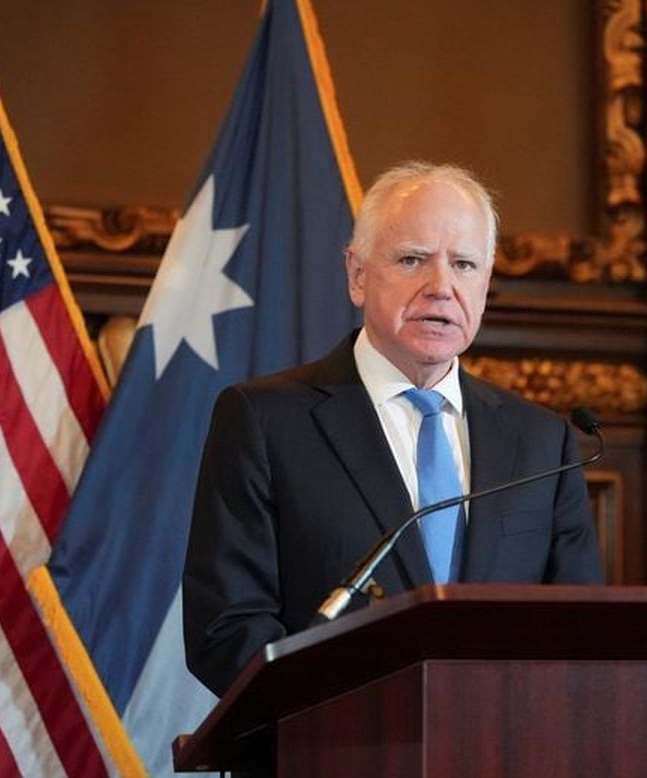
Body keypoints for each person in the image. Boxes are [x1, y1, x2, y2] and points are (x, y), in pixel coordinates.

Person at [182, 161, 602, 701]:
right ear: (357, 274)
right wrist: (377, 712)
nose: (442, 287)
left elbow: (577, 634)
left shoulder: (545, 443)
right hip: (329, 761)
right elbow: (227, 628)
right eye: (412, 260)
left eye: (465, 264)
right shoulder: (265, 421)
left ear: (487, 280)